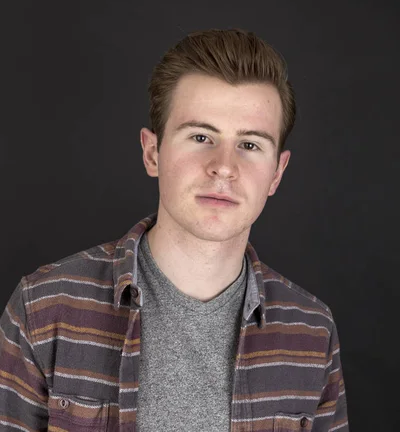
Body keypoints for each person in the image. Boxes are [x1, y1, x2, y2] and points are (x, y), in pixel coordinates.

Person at [0, 28, 349, 432]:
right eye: (201, 137)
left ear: (277, 173)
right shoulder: (44, 309)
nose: (224, 166)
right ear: (153, 153)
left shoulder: (311, 332)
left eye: (250, 145)